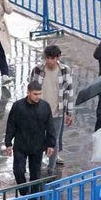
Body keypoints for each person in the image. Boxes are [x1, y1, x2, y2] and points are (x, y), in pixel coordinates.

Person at [4, 81, 56, 200]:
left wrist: (51, 144)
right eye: (35, 94)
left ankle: (33, 199)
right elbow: (11, 125)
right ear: (28, 93)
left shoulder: (45, 106)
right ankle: (23, 193)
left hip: (37, 146)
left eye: (39, 94)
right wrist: (8, 143)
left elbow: (50, 126)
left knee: (35, 173)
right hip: (20, 145)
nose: (38, 96)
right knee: (18, 171)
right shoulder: (17, 106)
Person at [29, 45, 74, 176]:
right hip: (38, 112)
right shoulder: (37, 70)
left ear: (58, 57)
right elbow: (31, 89)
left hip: (57, 112)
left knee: (53, 141)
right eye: (47, 58)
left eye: (52, 58)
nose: (49, 61)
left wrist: (69, 112)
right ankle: (36, 167)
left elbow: (69, 92)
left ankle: (51, 169)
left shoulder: (65, 71)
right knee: (37, 139)